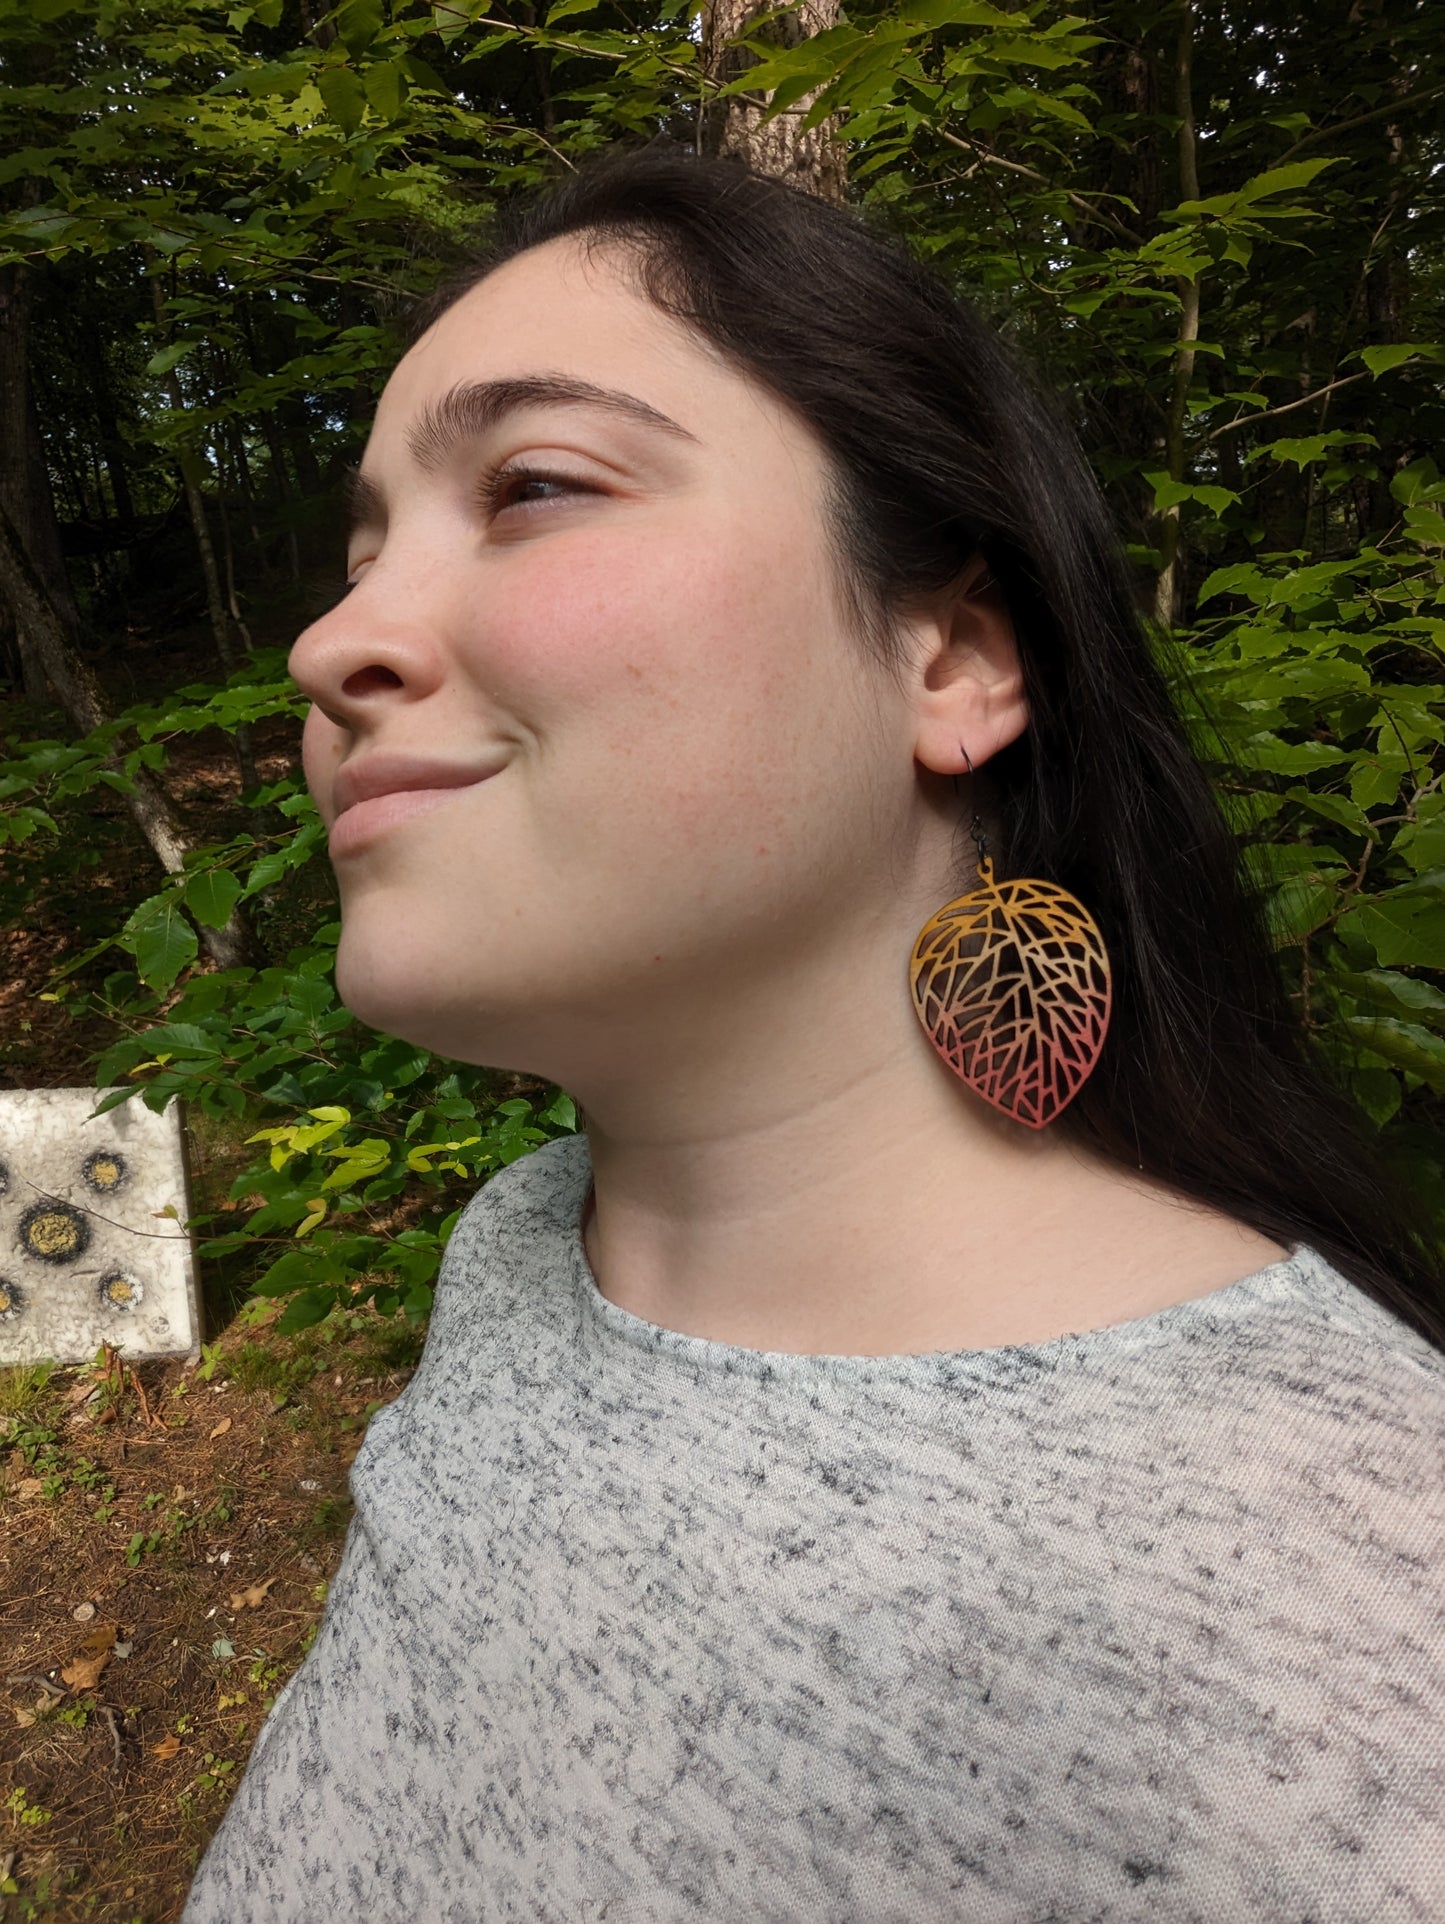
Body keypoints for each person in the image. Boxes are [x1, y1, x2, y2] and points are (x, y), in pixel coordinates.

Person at [181, 145, 1444, 1923]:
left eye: (532, 485)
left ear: (948, 661)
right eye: (365, 544)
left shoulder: (1339, 1619)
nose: (331, 640)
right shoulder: (525, 1255)